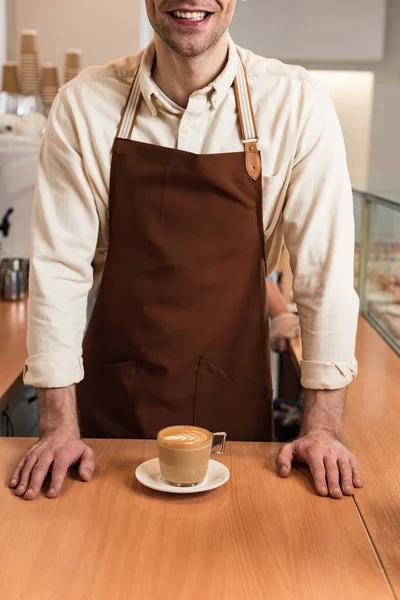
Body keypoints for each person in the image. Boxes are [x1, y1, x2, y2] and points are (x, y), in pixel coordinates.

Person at [9, 0, 362, 501]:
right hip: (108, 431)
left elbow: (323, 278)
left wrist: (322, 429)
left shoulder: (296, 105)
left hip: (235, 420)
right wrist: (57, 427)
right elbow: (59, 271)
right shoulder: (83, 105)